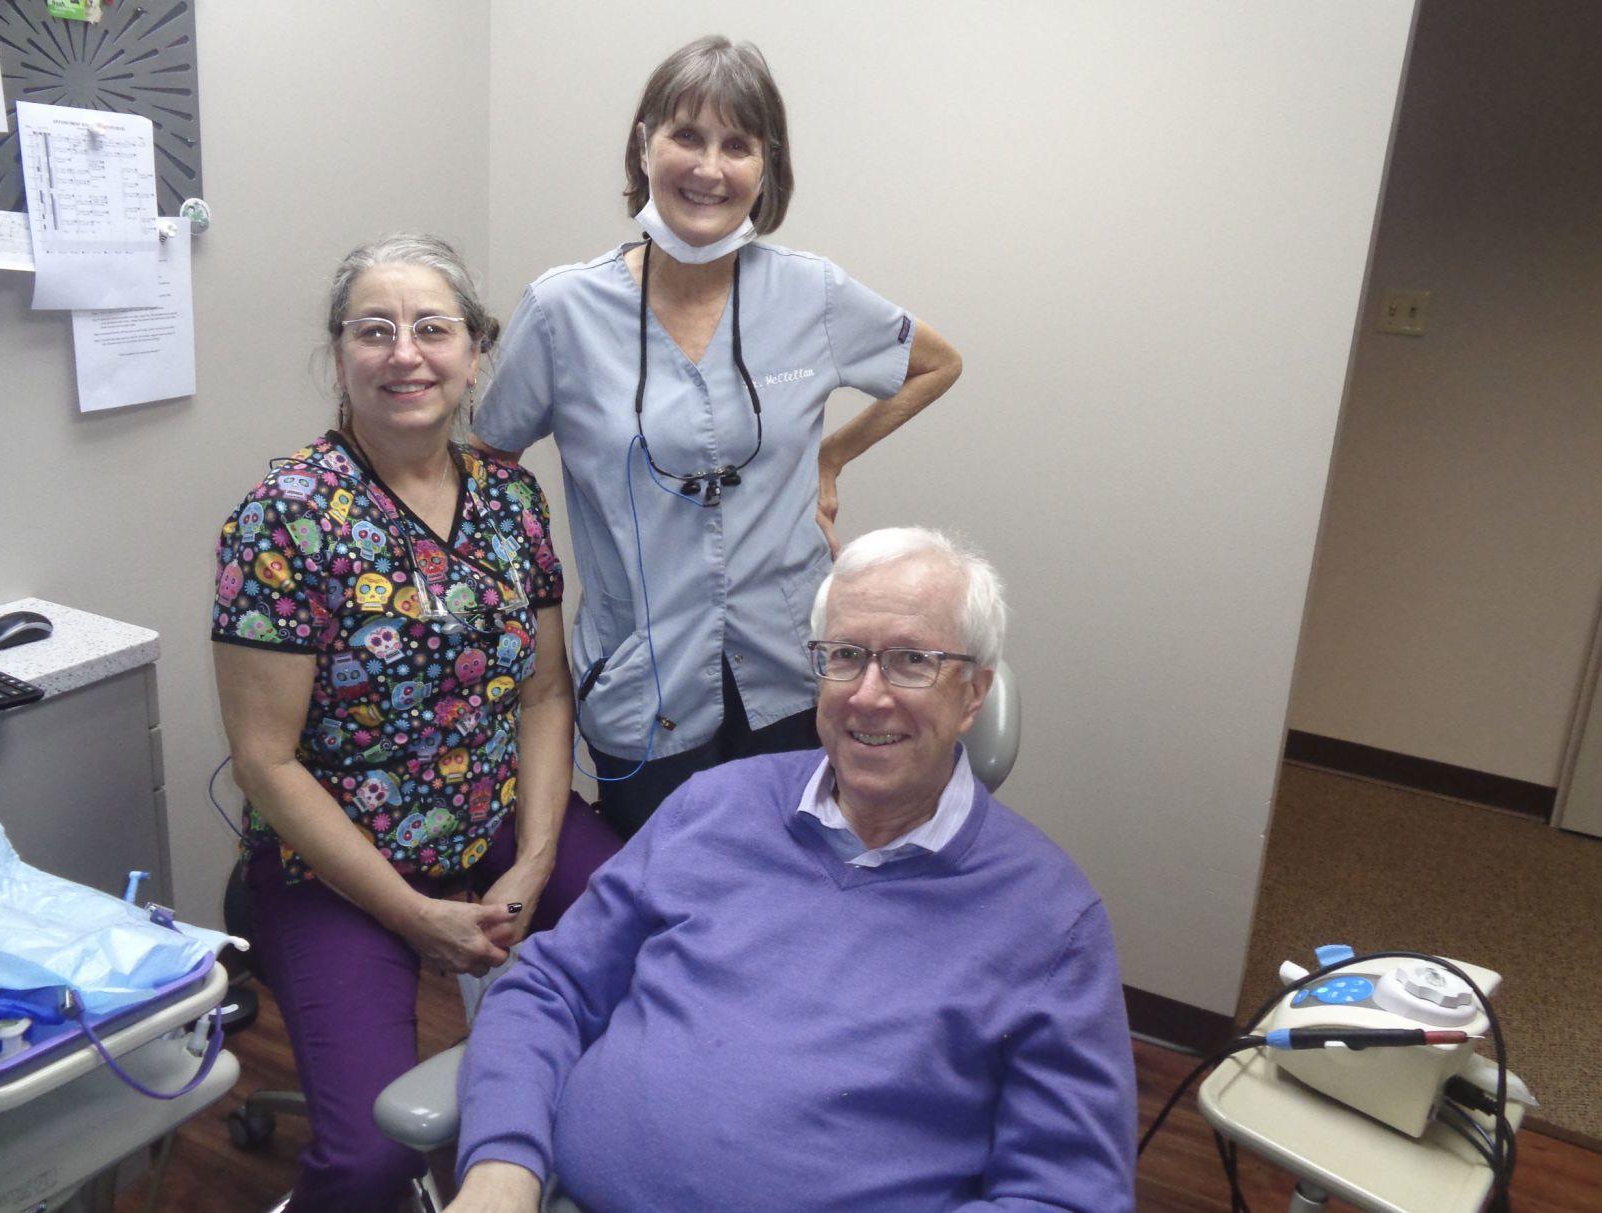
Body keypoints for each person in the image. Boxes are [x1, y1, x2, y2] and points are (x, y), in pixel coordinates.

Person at [445, 528, 1138, 1213]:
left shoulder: (1050, 923)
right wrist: (502, 1164)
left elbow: (1065, 1195)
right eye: (844, 656)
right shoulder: (714, 807)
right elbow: (549, 988)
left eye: (910, 661)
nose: (868, 694)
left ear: (974, 693)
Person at [211, 234, 619, 1212]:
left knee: (670, 955)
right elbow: (265, 763)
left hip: (499, 829)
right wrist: (414, 915)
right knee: (368, 1159)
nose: (406, 353)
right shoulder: (287, 518)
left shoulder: (511, 500)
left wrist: (530, 862)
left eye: (432, 328)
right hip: (342, 871)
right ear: (340, 353)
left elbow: (545, 694)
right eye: (376, 330)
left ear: (475, 352)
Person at [471, 36, 965, 837]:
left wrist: (831, 457)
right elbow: (486, 465)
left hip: (789, 670)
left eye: (738, 144)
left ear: (767, 167)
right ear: (645, 143)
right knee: (668, 895)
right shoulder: (563, 311)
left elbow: (936, 365)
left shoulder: (812, 293)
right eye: (687, 136)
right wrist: (530, 608)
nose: (709, 167)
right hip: (645, 675)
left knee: (794, 882)